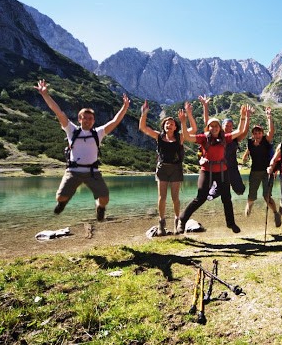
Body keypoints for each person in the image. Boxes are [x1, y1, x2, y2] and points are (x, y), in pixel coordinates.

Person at [34, 78, 130, 221]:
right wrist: (45, 95)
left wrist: (125, 107)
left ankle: (100, 207)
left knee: (104, 198)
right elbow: (59, 112)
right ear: (79, 119)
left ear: (93, 120)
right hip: (73, 171)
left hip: (93, 172)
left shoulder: (99, 132)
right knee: (60, 197)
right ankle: (62, 202)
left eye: (90, 118)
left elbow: (115, 121)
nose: (87, 120)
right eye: (84, 118)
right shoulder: (71, 130)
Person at [175, 105, 250, 234]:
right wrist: (183, 122)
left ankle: (231, 223)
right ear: (208, 128)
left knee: (227, 198)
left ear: (219, 128)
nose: (214, 128)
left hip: (222, 171)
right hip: (207, 171)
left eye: (216, 126)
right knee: (201, 197)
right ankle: (182, 220)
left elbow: (240, 130)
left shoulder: (224, 138)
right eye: (212, 126)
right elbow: (187, 137)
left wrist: (243, 117)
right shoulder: (203, 138)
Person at [139, 100, 191, 235]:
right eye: (167, 123)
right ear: (164, 126)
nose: (170, 125)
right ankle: (161, 222)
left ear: (175, 127)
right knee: (162, 197)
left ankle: (177, 221)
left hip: (176, 169)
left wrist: (186, 119)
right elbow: (143, 128)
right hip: (162, 168)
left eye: (172, 123)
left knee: (175, 198)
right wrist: (144, 113)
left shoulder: (180, 137)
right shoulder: (159, 136)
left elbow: (194, 130)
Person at [197, 95, 249, 199]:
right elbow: (207, 123)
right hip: (219, 168)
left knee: (240, 191)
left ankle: (220, 188)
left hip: (232, 168)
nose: (229, 127)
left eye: (231, 126)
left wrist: (246, 116)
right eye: (226, 125)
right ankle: (217, 188)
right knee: (212, 195)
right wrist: (205, 107)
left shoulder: (234, 138)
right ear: (222, 127)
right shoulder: (216, 137)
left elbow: (243, 131)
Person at [243, 107, 281, 227]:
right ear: (253, 134)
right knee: (252, 196)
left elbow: (272, 131)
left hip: (267, 172)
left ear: (262, 133)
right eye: (255, 133)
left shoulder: (266, 140)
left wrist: (269, 116)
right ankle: (249, 204)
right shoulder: (250, 142)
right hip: (254, 172)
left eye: (259, 133)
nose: (257, 135)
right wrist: (245, 155)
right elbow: (249, 149)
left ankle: (276, 213)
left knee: (266, 196)